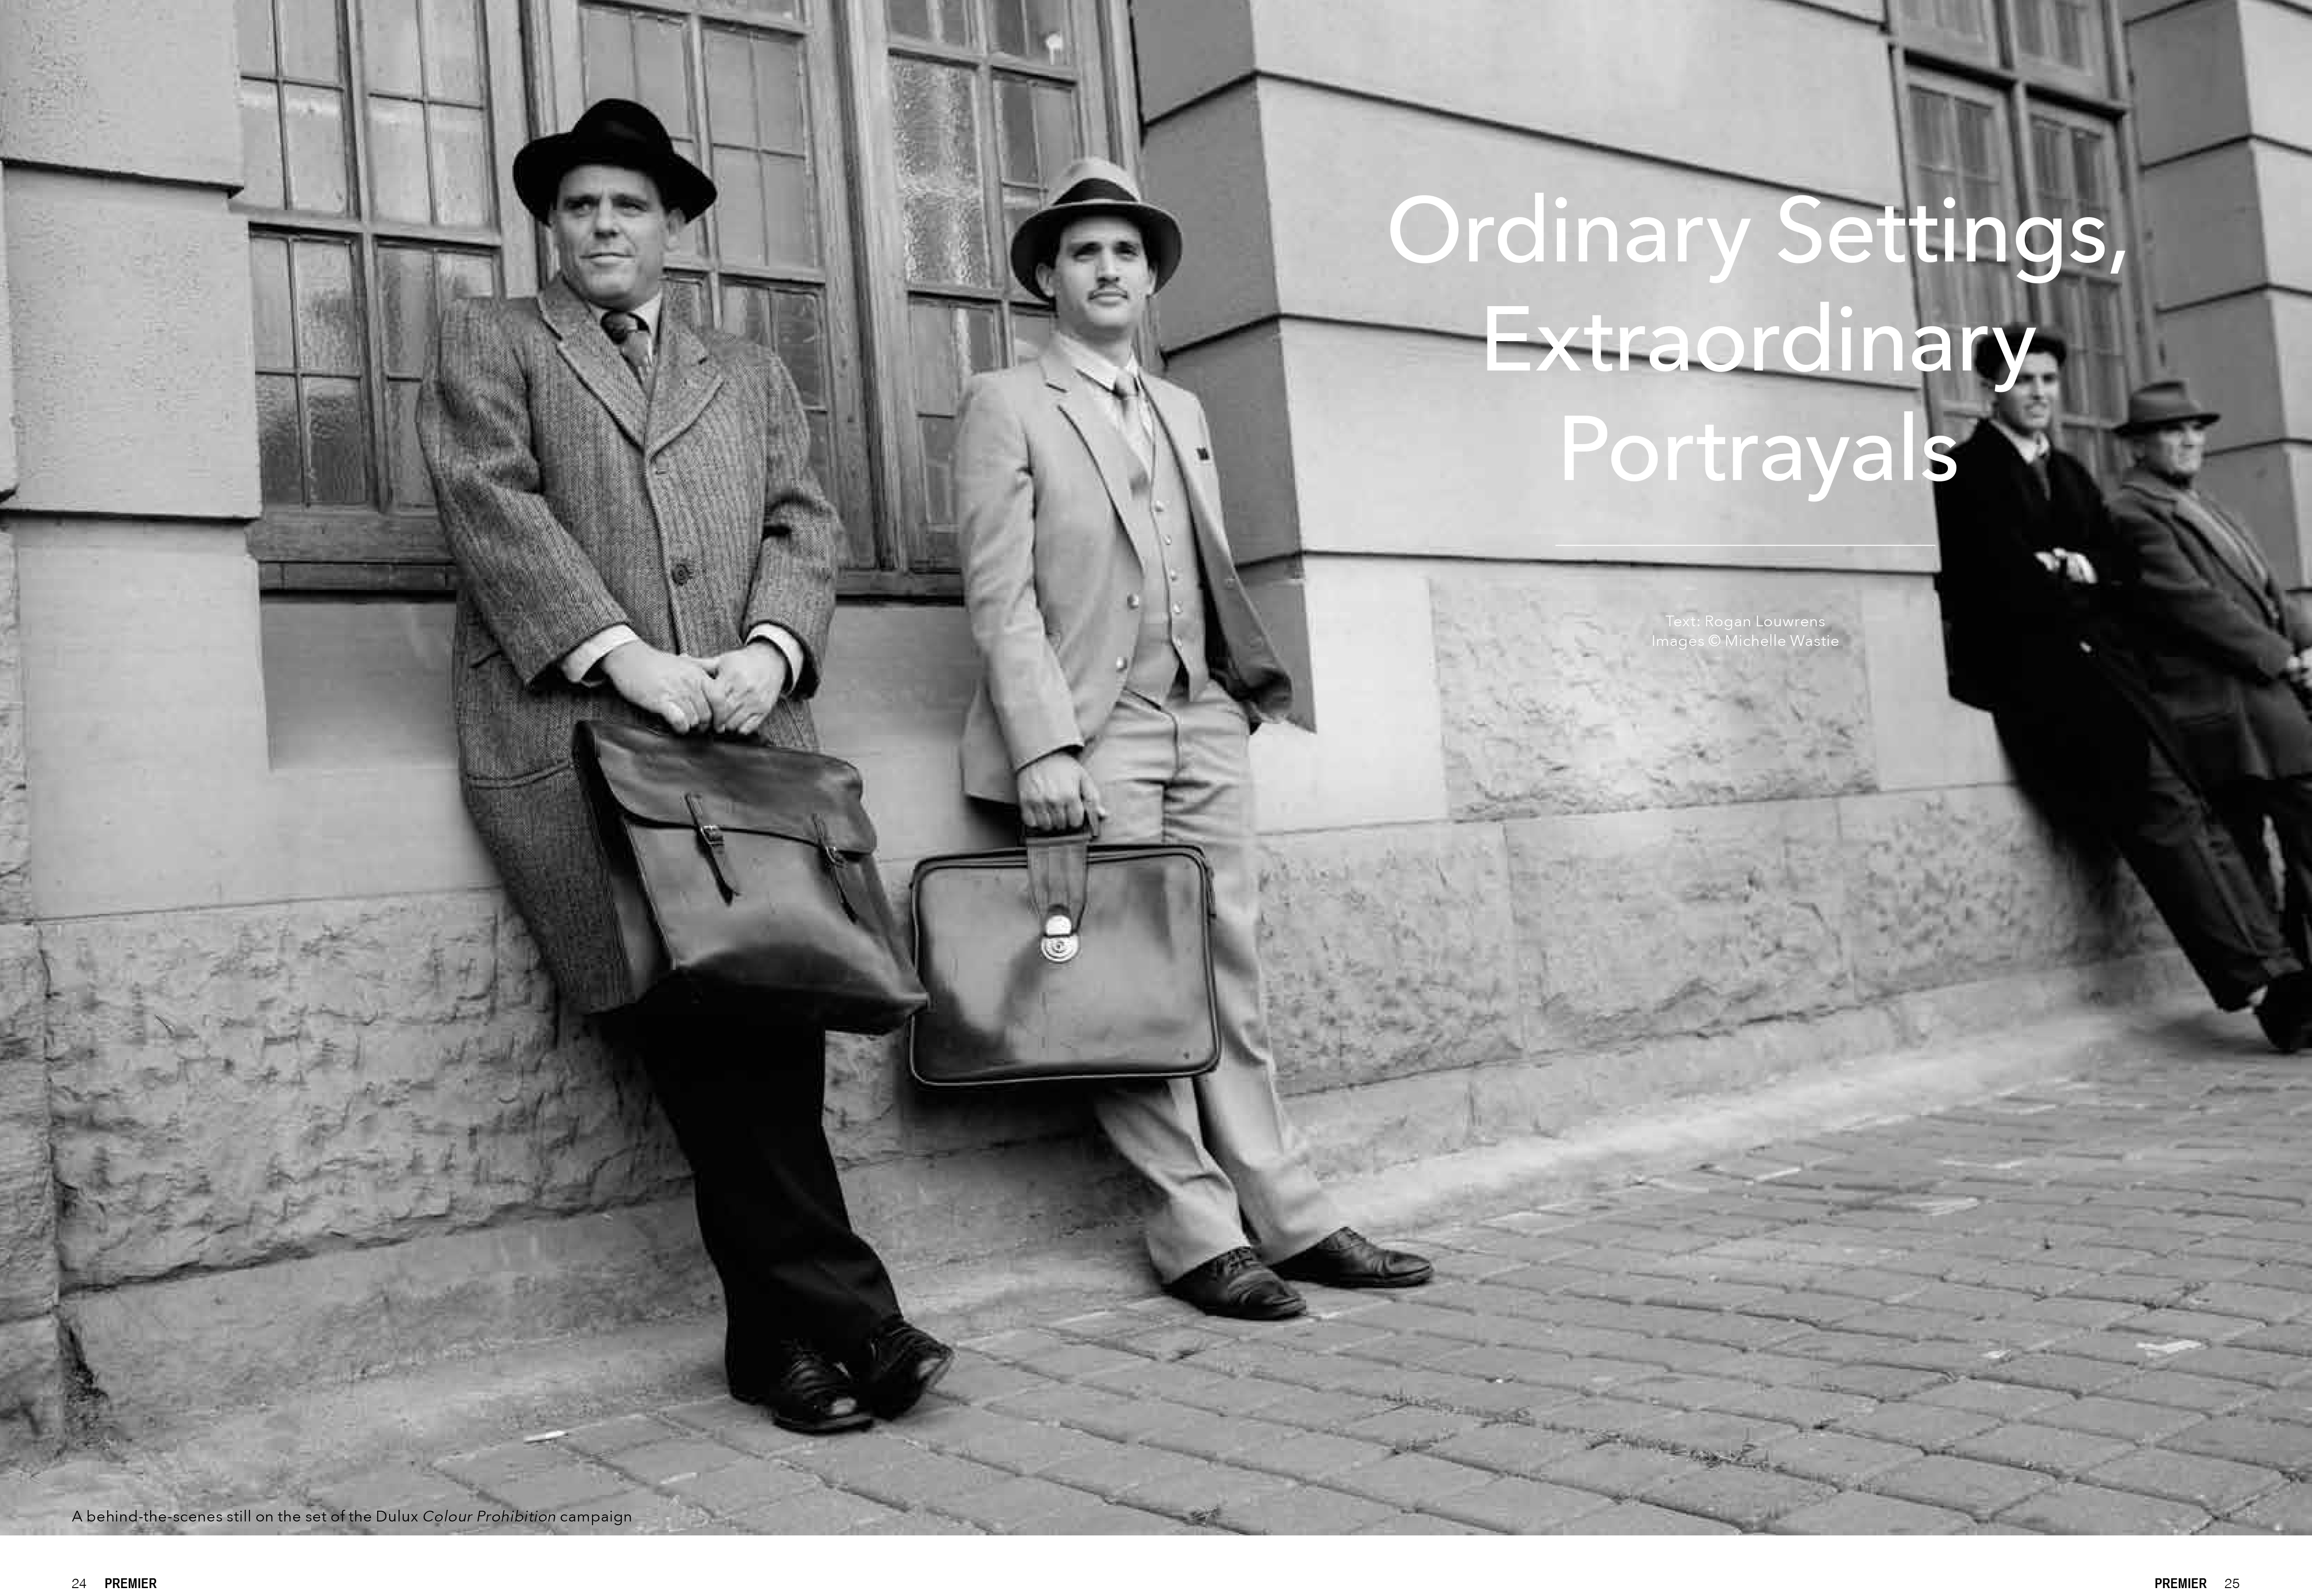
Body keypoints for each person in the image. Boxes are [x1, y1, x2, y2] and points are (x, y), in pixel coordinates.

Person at [416, 98, 948, 1433]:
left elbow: (804, 521)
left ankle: (781, 1349)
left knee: (765, 1022)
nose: (606, 224)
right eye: (583, 204)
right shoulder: (489, 340)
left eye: (632, 206)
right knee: (699, 1028)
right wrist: (619, 653)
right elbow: (492, 502)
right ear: (553, 220)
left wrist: (772, 650)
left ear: (674, 228)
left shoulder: (749, 369)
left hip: (744, 747)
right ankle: (855, 1320)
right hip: (582, 738)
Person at [950, 158, 1433, 1318]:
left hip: (1202, 718)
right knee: (1128, 978)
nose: (1106, 269)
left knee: (1232, 971)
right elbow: (998, 594)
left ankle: (1290, 1213)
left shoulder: (1181, 411)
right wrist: (1042, 746)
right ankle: (1193, 1230)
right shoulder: (1006, 403)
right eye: (1083, 253)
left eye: (1125, 252)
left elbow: (1197, 566)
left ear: (1149, 277)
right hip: (1091, 732)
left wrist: (1229, 700)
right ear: (1048, 279)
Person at [1932, 332, 2312, 1049]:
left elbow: (2119, 578)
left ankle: (2284, 977)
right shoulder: (1963, 472)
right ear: (1991, 388)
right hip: (2036, 682)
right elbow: (1995, 583)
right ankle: (2265, 983)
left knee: (2192, 808)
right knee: (2161, 814)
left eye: (2049, 379)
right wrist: (2076, 576)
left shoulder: (2071, 476)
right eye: (2024, 380)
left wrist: (2076, 569)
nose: (2040, 393)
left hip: (2109, 678)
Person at [2104, 378, 2312, 981]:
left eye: (2195, 428)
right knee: (2247, 867)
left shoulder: (2209, 505)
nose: (2190, 440)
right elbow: (2190, 604)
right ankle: (2290, 1003)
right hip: (2221, 713)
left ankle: (2300, 990)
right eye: (2172, 430)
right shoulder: (2131, 512)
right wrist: (2282, 656)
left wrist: (2304, 641)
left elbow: (2270, 591)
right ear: (2139, 446)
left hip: (2268, 707)